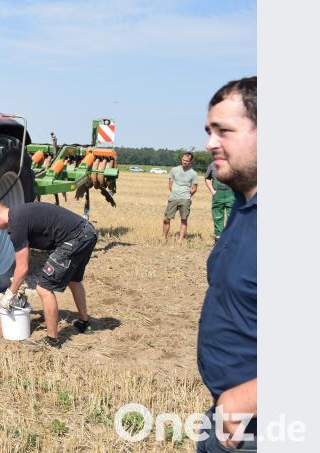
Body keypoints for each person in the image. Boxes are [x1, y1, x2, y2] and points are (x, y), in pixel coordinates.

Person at [196, 76, 257, 452]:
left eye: (224, 131)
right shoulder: (242, 203)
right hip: (230, 416)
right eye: (208, 130)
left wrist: (246, 399)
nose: (209, 144)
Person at [0, 198, 97, 349]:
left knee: (43, 288)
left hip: (76, 238)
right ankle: (84, 323)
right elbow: (24, 260)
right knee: (74, 281)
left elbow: (22, 268)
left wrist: (9, 294)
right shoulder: (19, 215)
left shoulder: (15, 224)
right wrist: (18, 283)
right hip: (88, 232)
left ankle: (52, 340)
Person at [162, 152, 198, 244]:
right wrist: (174, 192)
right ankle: (164, 238)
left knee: (184, 219)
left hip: (185, 199)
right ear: (181, 159)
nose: (185, 162)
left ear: (190, 161)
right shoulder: (174, 170)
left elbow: (194, 188)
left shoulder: (193, 173)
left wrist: (187, 195)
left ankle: (180, 240)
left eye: (187, 161)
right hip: (173, 198)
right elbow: (170, 184)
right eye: (183, 160)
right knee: (166, 219)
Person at [204, 159, 234, 240]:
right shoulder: (213, 164)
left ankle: (230, 239)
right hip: (217, 196)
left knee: (232, 218)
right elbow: (207, 178)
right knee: (217, 218)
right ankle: (218, 239)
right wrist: (212, 191)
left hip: (231, 196)